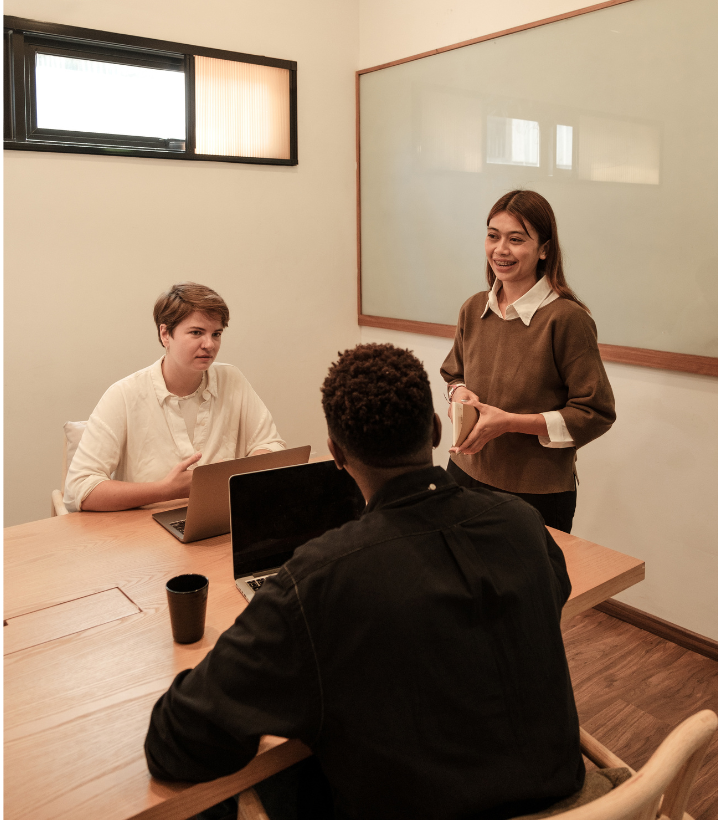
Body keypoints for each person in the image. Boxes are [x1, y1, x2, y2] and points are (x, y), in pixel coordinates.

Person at [145, 343, 585, 820]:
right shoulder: (521, 523)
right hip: (565, 794)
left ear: (335, 453)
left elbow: (176, 741)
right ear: (436, 431)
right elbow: (541, 600)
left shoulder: (317, 582)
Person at [441, 189, 616, 533]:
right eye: (493, 236)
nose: (500, 249)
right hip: (463, 473)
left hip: (535, 492)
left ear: (544, 249)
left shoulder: (566, 319)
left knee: (530, 587)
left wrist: (509, 422)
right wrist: (458, 395)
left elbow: (595, 413)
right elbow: (454, 374)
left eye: (516, 239)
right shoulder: (474, 308)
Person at [63, 282, 285, 512]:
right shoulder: (124, 395)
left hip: (218, 520)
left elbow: (271, 445)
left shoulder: (231, 378)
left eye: (216, 334)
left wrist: (239, 471)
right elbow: (79, 489)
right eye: (196, 332)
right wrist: (166, 490)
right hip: (142, 533)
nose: (209, 344)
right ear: (165, 334)